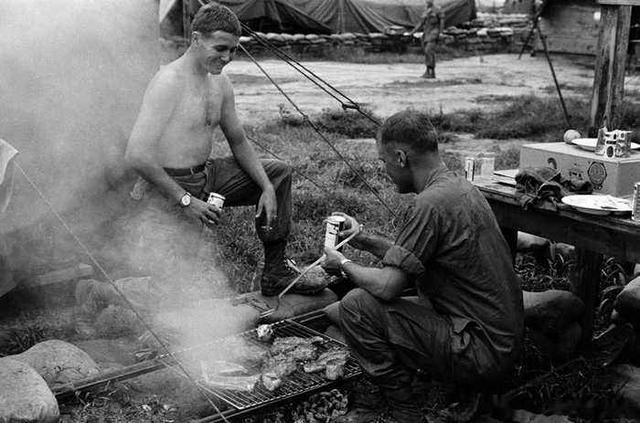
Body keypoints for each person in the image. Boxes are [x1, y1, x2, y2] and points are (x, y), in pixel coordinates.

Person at [322, 110, 524, 423]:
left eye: (383, 161)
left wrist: (344, 263)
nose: (384, 169)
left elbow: (389, 287)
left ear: (400, 157)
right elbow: (415, 255)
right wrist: (361, 238)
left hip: (480, 350)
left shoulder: (428, 204)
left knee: (356, 307)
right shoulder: (458, 187)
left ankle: (405, 407)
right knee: (356, 307)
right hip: (498, 339)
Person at [125, 3, 325, 297]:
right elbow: (137, 154)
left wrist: (267, 187)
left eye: (233, 50)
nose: (227, 57)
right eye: (220, 48)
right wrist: (186, 201)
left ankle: (275, 272)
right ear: (196, 39)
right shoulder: (169, 82)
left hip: (207, 175)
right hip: (169, 186)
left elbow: (239, 140)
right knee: (173, 290)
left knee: (278, 173)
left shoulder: (220, 82)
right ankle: (107, 293)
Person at [409, 0, 445, 79]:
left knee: (429, 50)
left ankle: (431, 71)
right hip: (426, 33)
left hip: (434, 32)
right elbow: (421, 23)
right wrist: (412, 32)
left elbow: (442, 21)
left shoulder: (438, 9)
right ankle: (428, 71)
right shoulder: (425, 11)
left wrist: (441, 32)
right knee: (426, 52)